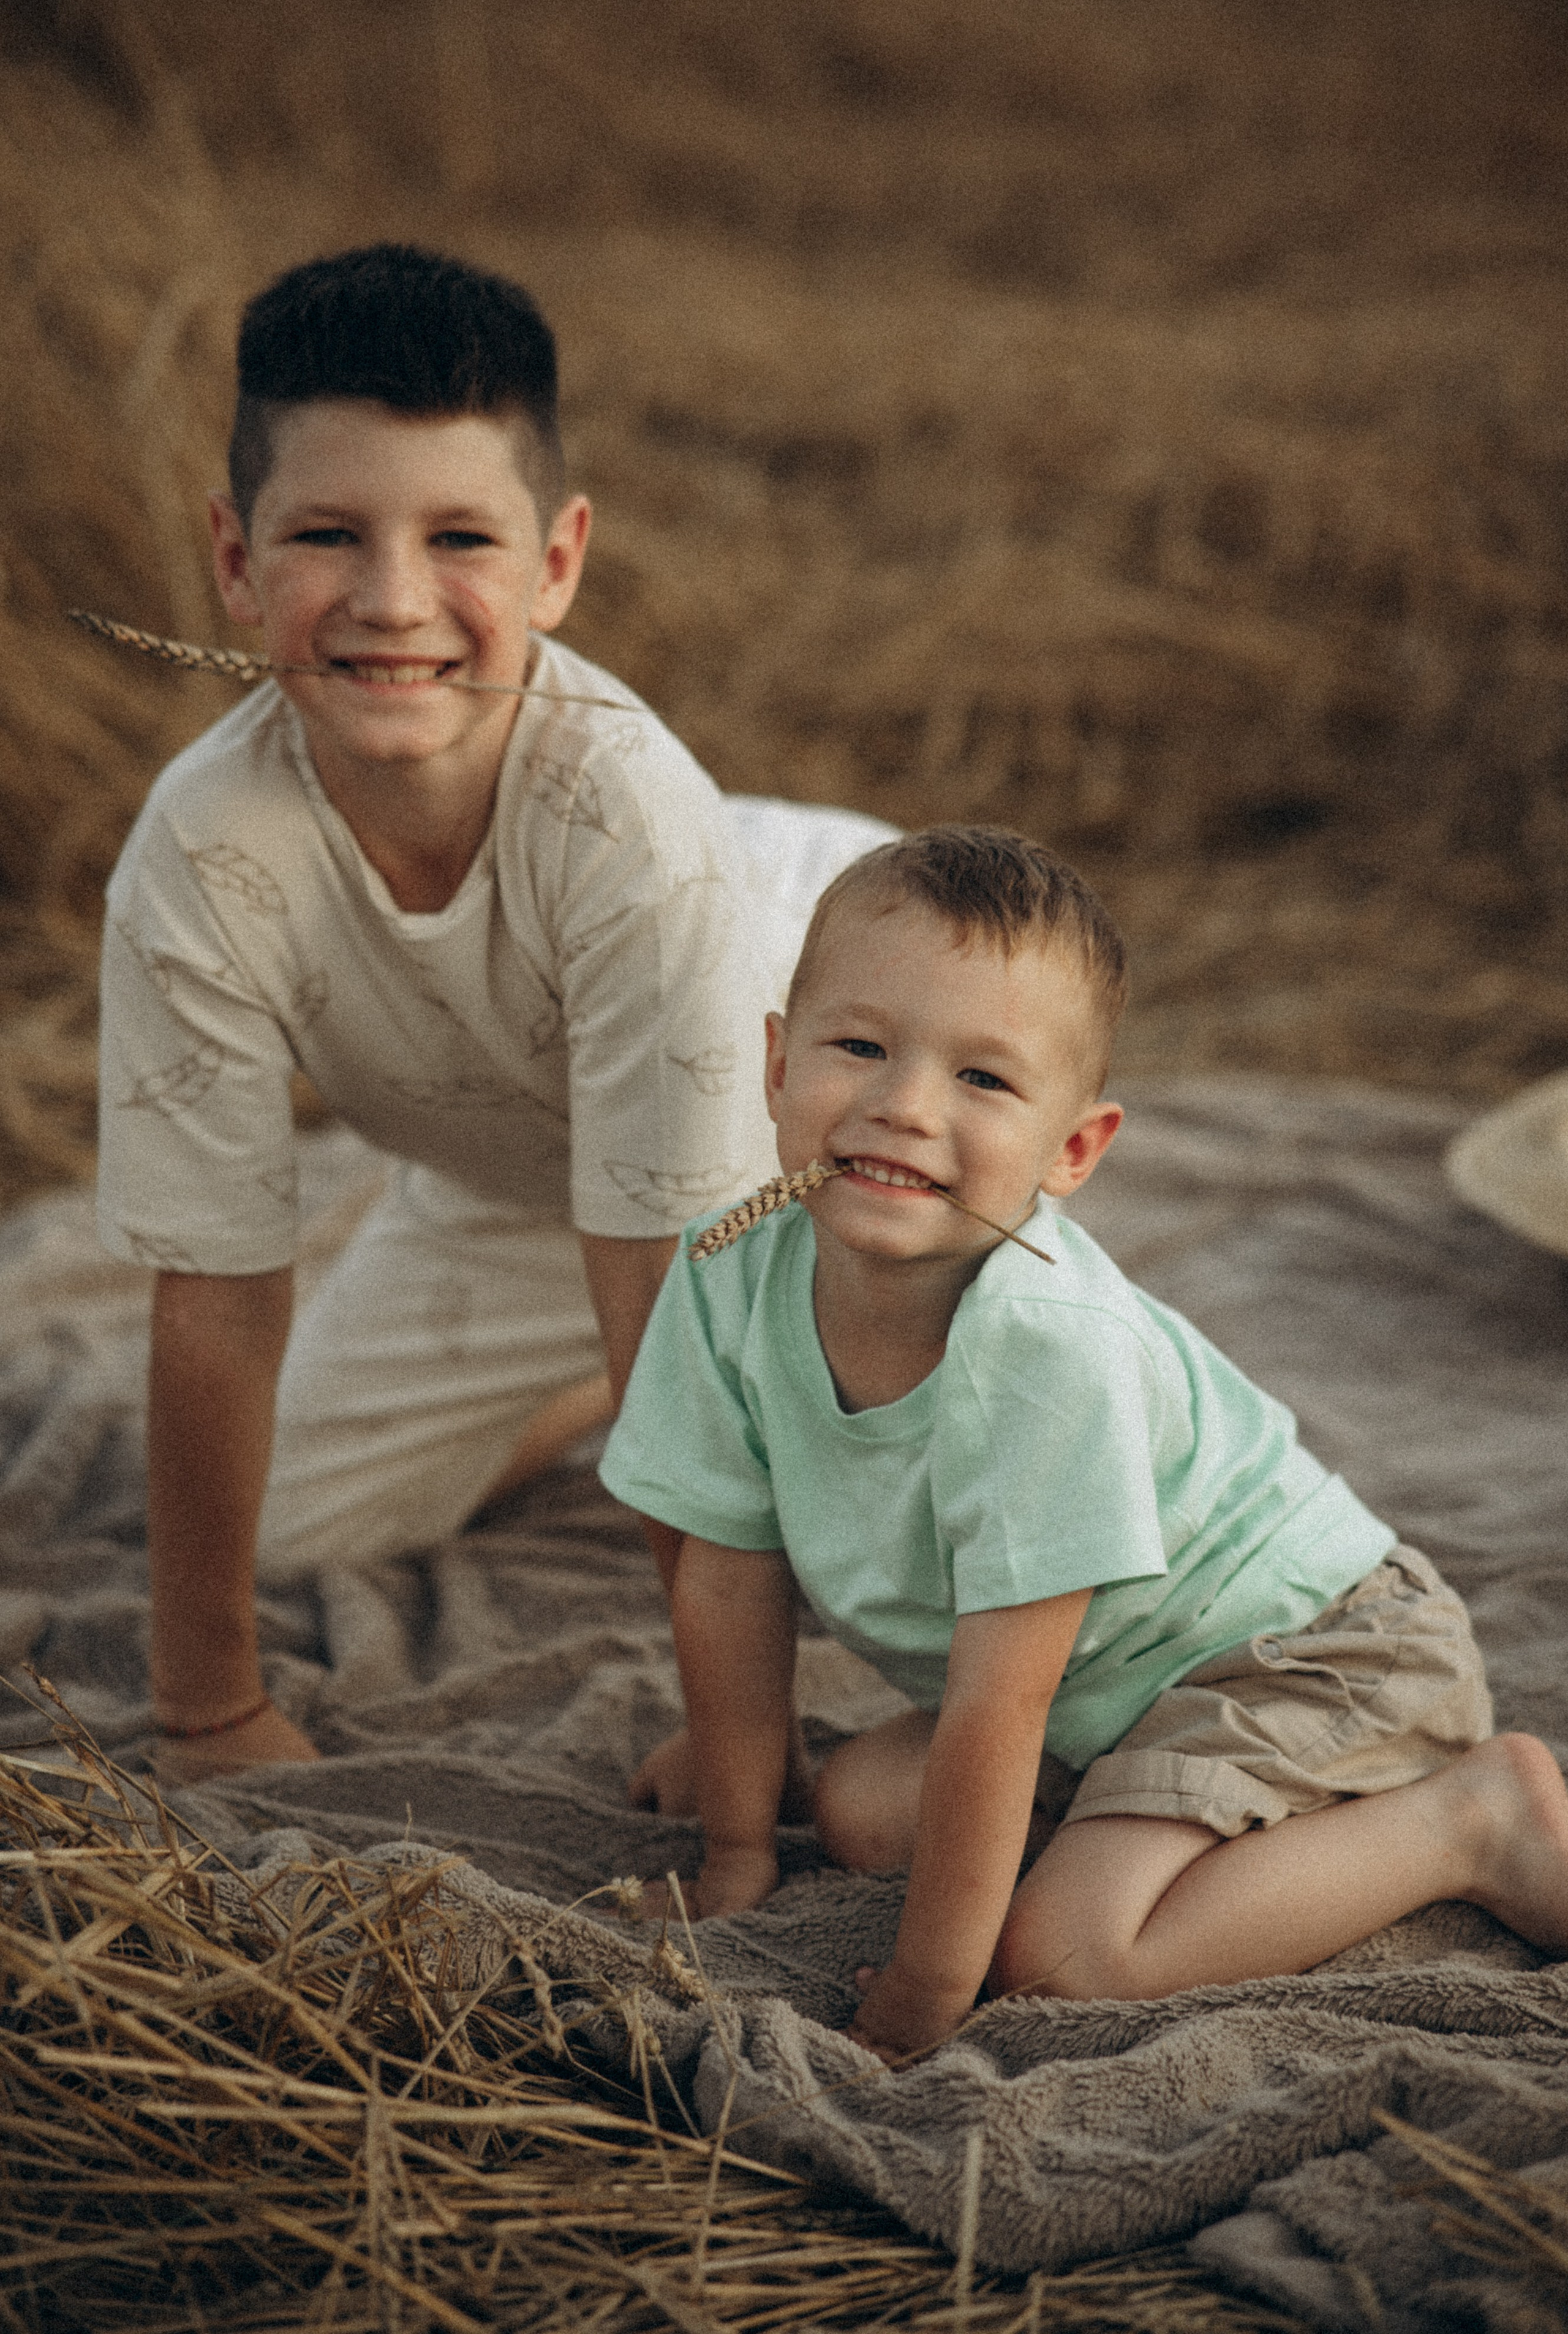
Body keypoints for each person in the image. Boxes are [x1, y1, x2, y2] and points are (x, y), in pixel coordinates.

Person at [97, 244, 888, 1781]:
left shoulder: (627, 829)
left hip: (802, 1112)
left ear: (558, 560)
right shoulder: (200, 849)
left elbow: (660, 1281)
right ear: (235, 559)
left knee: (885, 1540)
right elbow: (216, 1284)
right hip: (515, 1157)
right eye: (329, 533)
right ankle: (563, 1391)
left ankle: (874, 1314)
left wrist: (732, 1736)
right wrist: (208, 1706)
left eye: (459, 535)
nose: (395, 602)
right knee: (286, 1517)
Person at [600, 825, 1568, 2058]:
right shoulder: (724, 1270)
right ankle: (1155, 1826)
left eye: (982, 1080)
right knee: (860, 1813)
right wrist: (737, 1849)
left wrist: (925, 1989)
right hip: (1102, 1689)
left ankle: (1474, 1818)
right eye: (859, 1048)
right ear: (778, 1063)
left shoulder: (1045, 1349)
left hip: (1300, 1653)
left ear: (1073, 1150)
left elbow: (997, 1708)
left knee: (1062, 1958)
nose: (902, 1107)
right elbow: (727, 1578)